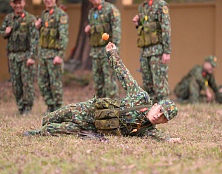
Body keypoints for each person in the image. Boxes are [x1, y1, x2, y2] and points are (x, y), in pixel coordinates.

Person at [24, 42, 180, 143]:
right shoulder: (141, 97)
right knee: (50, 118)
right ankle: (45, 123)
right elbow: (124, 76)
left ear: (164, 122)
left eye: (162, 118)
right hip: (89, 109)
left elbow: (161, 138)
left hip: (92, 127)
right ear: (155, 105)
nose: (157, 116)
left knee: (51, 129)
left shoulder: (147, 130)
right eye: (159, 111)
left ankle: (35, 133)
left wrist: (170, 139)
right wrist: (112, 54)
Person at [0, 0, 38, 114]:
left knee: (27, 83)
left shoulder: (30, 19)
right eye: (15, 3)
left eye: (20, 3)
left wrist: (32, 57)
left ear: (24, 3)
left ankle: (28, 107)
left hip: (25, 55)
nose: (18, 6)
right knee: (16, 83)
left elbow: (34, 40)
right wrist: (6, 32)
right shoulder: (8, 18)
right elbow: (2, 32)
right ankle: (20, 106)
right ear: (11, 4)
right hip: (12, 56)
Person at [132, 0, 171, 103]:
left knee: (160, 85)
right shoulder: (142, 7)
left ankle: (164, 110)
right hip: (145, 51)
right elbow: (145, 29)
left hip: (157, 51)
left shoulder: (160, 5)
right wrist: (137, 23)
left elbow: (166, 28)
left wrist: (166, 51)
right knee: (147, 84)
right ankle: (152, 112)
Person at [35, 0, 69, 112]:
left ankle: (58, 108)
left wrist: (60, 55)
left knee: (55, 84)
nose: (48, 0)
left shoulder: (61, 14)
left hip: (54, 55)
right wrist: (38, 27)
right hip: (43, 54)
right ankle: (50, 106)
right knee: (42, 82)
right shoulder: (44, 14)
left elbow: (63, 37)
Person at [85, 0, 121, 99]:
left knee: (110, 83)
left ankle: (113, 109)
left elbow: (116, 31)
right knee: (98, 84)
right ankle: (102, 109)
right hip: (96, 53)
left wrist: (114, 51)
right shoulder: (92, 12)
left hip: (107, 51)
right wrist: (89, 31)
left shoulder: (111, 10)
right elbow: (94, 34)